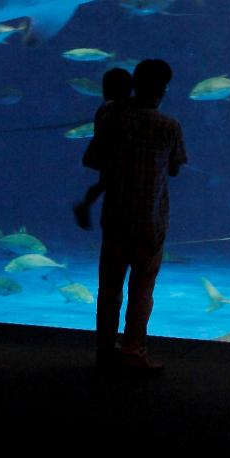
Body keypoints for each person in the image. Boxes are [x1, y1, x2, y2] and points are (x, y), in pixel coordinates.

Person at [82, 58, 187, 373]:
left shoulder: (113, 118)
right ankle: (133, 352)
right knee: (142, 290)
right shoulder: (169, 126)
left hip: (115, 217)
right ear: (163, 90)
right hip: (150, 221)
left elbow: (92, 159)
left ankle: (104, 351)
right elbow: (175, 167)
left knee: (109, 288)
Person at [73, 67, 134, 230]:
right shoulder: (117, 107)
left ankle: (85, 205)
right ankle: (85, 206)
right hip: (117, 155)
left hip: (108, 155)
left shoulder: (105, 105)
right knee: (107, 184)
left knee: (103, 184)